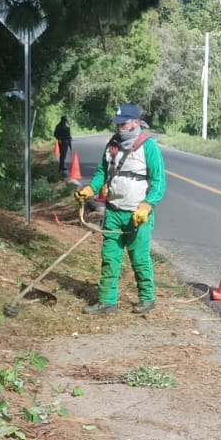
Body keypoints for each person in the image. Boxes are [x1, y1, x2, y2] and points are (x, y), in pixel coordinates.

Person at [75, 103, 166, 315]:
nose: (119, 128)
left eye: (123, 123)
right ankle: (107, 301)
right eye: (117, 124)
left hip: (137, 215)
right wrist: (90, 188)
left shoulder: (148, 147)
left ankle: (147, 298)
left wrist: (147, 205)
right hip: (113, 211)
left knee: (139, 257)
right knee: (110, 257)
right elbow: (101, 172)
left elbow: (159, 182)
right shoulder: (112, 144)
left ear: (135, 122)